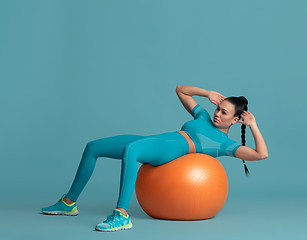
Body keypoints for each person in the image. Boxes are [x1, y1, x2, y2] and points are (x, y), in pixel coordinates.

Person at [41, 85, 268, 231]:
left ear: (237, 120)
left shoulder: (225, 144)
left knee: (131, 150)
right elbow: (181, 90)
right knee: (93, 147)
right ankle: (68, 203)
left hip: (173, 150)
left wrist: (254, 125)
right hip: (160, 140)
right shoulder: (203, 116)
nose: (218, 113)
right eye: (218, 108)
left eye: (224, 112)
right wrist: (207, 93)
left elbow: (261, 154)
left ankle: (121, 214)